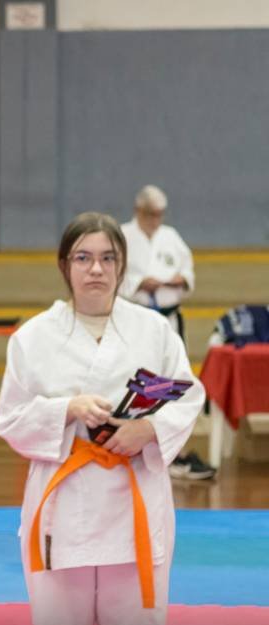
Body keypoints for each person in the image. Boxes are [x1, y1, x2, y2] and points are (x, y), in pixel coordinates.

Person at [0, 212, 204, 625]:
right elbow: (10, 419)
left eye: (108, 258)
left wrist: (148, 430)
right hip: (62, 504)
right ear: (64, 265)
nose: (96, 269)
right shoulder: (33, 338)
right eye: (83, 258)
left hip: (134, 499)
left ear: (122, 266)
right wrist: (65, 409)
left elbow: (189, 396)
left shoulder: (155, 330)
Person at [118, 185, 213, 480]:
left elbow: (188, 272)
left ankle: (172, 452)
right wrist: (139, 282)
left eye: (159, 214)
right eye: (150, 214)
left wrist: (178, 280)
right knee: (139, 382)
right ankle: (136, 446)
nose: (155, 220)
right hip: (135, 321)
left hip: (168, 322)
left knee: (168, 383)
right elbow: (113, 274)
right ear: (138, 210)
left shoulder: (171, 237)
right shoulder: (122, 236)